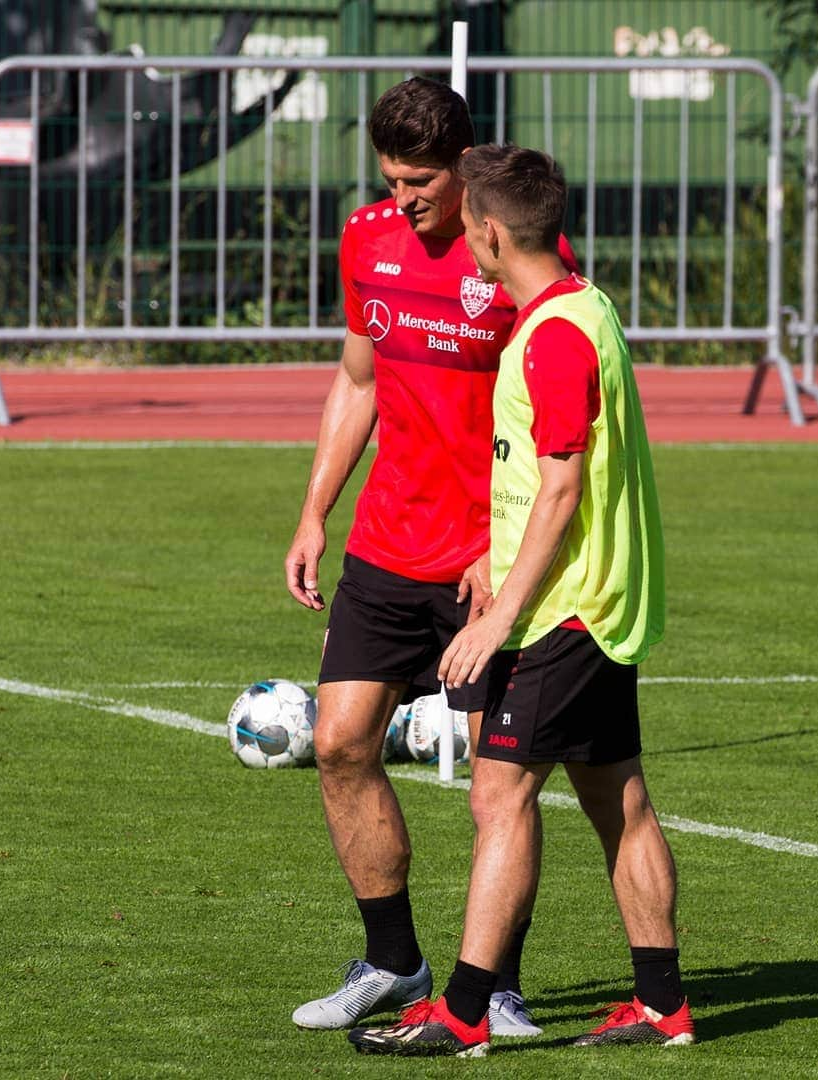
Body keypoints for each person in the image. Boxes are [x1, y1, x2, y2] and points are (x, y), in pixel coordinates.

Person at [348, 144, 695, 1057]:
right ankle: (663, 1004)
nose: (464, 246)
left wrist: (501, 613)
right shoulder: (582, 306)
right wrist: (493, 565)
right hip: (595, 601)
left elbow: (563, 486)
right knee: (618, 797)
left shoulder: (551, 336)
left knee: (498, 795)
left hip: (566, 615)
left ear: (492, 232)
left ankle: (463, 1010)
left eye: (469, 232)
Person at [284, 78, 575, 1038]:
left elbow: (556, 418)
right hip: (385, 548)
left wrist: (506, 554)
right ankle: (393, 960)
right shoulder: (366, 238)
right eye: (393, 179)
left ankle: (494, 987)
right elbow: (356, 378)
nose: (405, 198)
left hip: (484, 566)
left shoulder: (519, 254)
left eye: (422, 181)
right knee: (340, 744)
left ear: (465, 166)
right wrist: (314, 513)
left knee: (502, 788)